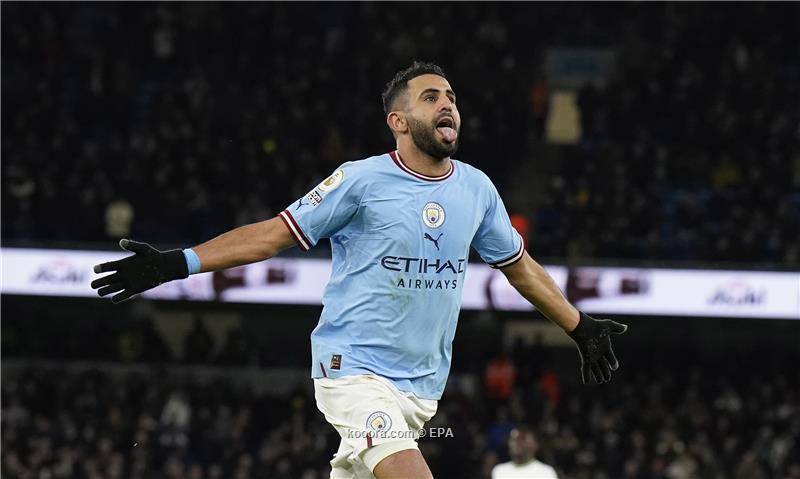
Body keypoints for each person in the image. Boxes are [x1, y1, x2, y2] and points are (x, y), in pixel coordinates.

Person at [91, 61, 627, 479]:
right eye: (431, 97)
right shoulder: (359, 181)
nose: (448, 105)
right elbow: (273, 235)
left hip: (421, 391)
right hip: (353, 372)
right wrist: (177, 263)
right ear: (399, 121)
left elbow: (520, 267)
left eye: (451, 97)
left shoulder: (477, 189)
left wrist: (578, 325)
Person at [492, 426, 558, 479]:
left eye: (523, 439)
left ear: (536, 445)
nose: (517, 443)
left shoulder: (546, 472)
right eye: (513, 439)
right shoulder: (499, 471)